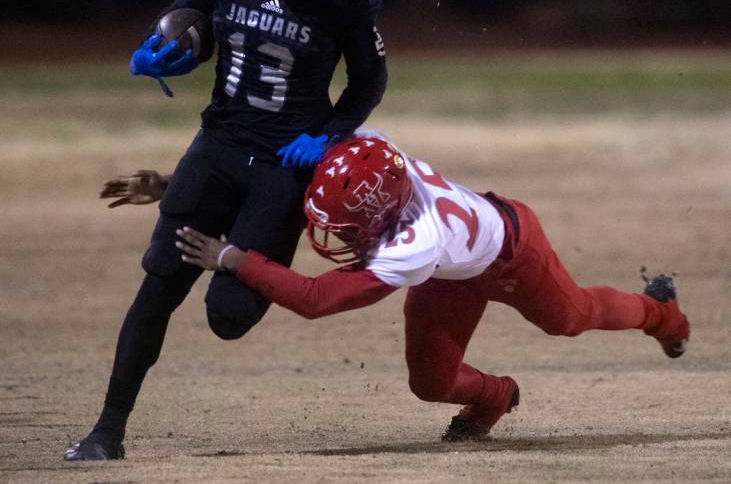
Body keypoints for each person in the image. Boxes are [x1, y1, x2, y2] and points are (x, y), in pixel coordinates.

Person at [64, 0, 387, 461]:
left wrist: (327, 135)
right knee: (159, 282)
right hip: (217, 147)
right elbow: (194, 20)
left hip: (281, 168)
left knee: (229, 316)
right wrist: (168, 49)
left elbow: (369, 82)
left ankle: (235, 281)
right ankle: (107, 431)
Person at [173, 131, 690, 442]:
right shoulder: (371, 153)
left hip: (512, 250)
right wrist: (178, 185)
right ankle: (494, 396)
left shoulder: (411, 246)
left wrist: (234, 258)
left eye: (350, 227)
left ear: (381, 219)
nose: (340, 234)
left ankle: (663, 313)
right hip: (452, 272)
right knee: (431, 384)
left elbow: (315, 300)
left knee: (570, 318)